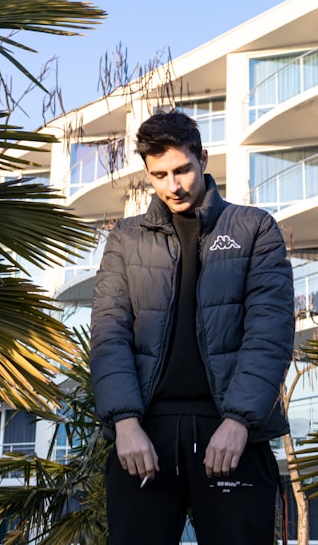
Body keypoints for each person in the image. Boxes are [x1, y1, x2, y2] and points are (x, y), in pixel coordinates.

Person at [89, 110, 295, 544]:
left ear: (202, 158)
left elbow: (269, 332)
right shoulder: (125, 239)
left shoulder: (254, 228)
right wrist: (124, 422)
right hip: (144, 437)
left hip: (230, 434)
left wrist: (240, 420)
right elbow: (109, 333)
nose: (173, 185)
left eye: (182, 169)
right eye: (159, 174)